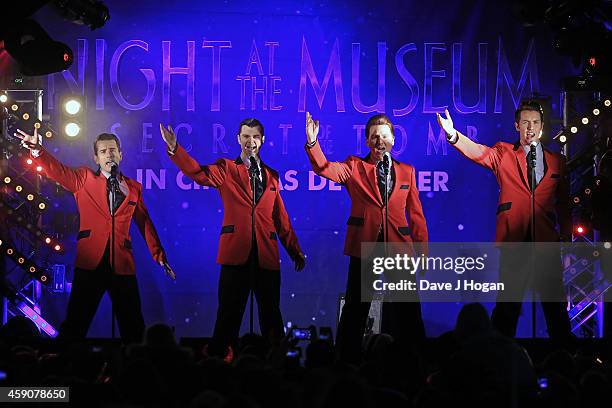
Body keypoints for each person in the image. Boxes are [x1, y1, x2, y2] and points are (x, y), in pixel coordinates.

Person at [160, 118, 305, 356]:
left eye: (255, 137)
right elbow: (198, 173)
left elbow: (280, 218)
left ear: (263, 140)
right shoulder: (226, 168)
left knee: (271, 314)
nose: (250, 142)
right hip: (235, 254)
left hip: (266, 256)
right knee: (228, 314)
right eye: (246, 136)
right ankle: (218, 361)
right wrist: (176, 149)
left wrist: (294, 250)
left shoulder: (272, 176)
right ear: (238, 139)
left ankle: (276, 363)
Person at [15, 129, 175, 344]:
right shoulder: (84, 178)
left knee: (133, 325)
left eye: (112, 150)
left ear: (121, 154)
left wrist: (159, 255)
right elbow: (58, 171)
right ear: (96, 158)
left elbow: (144, 222)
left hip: (121, 263)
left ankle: (134, 370)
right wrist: (37, 151)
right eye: (103, 151)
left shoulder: (134, 188)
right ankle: (63, 367)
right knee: (76, 323)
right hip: (91, 262)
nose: (109, 155)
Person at [436, 100, 572, 339]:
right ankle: (499, 357)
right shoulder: (504, 153)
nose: (530, 127)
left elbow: (564, 204)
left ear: (542, 128)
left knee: (555, 308)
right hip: (514, 240)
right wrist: (452, 134)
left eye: (535, 123)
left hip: (545, 242)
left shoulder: (556, 161)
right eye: (526, 123)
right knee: (508, 305)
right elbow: (478, 152)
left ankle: (564, 360)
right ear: (517, 125)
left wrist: (568, 241)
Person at [304, 112, 428, 364]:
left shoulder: (407, 172)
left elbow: (416, 215)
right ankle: (346, 361)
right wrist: (312, 143)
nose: (379, 140)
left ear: (393, 139)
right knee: (356, 308)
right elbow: (324, 168)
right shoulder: (354, 167)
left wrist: (422, 253)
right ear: (367, 141)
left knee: (408, 309)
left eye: (384, 135)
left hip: (399, 249)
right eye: (374, 136)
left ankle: (414, 361)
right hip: (365, 247)